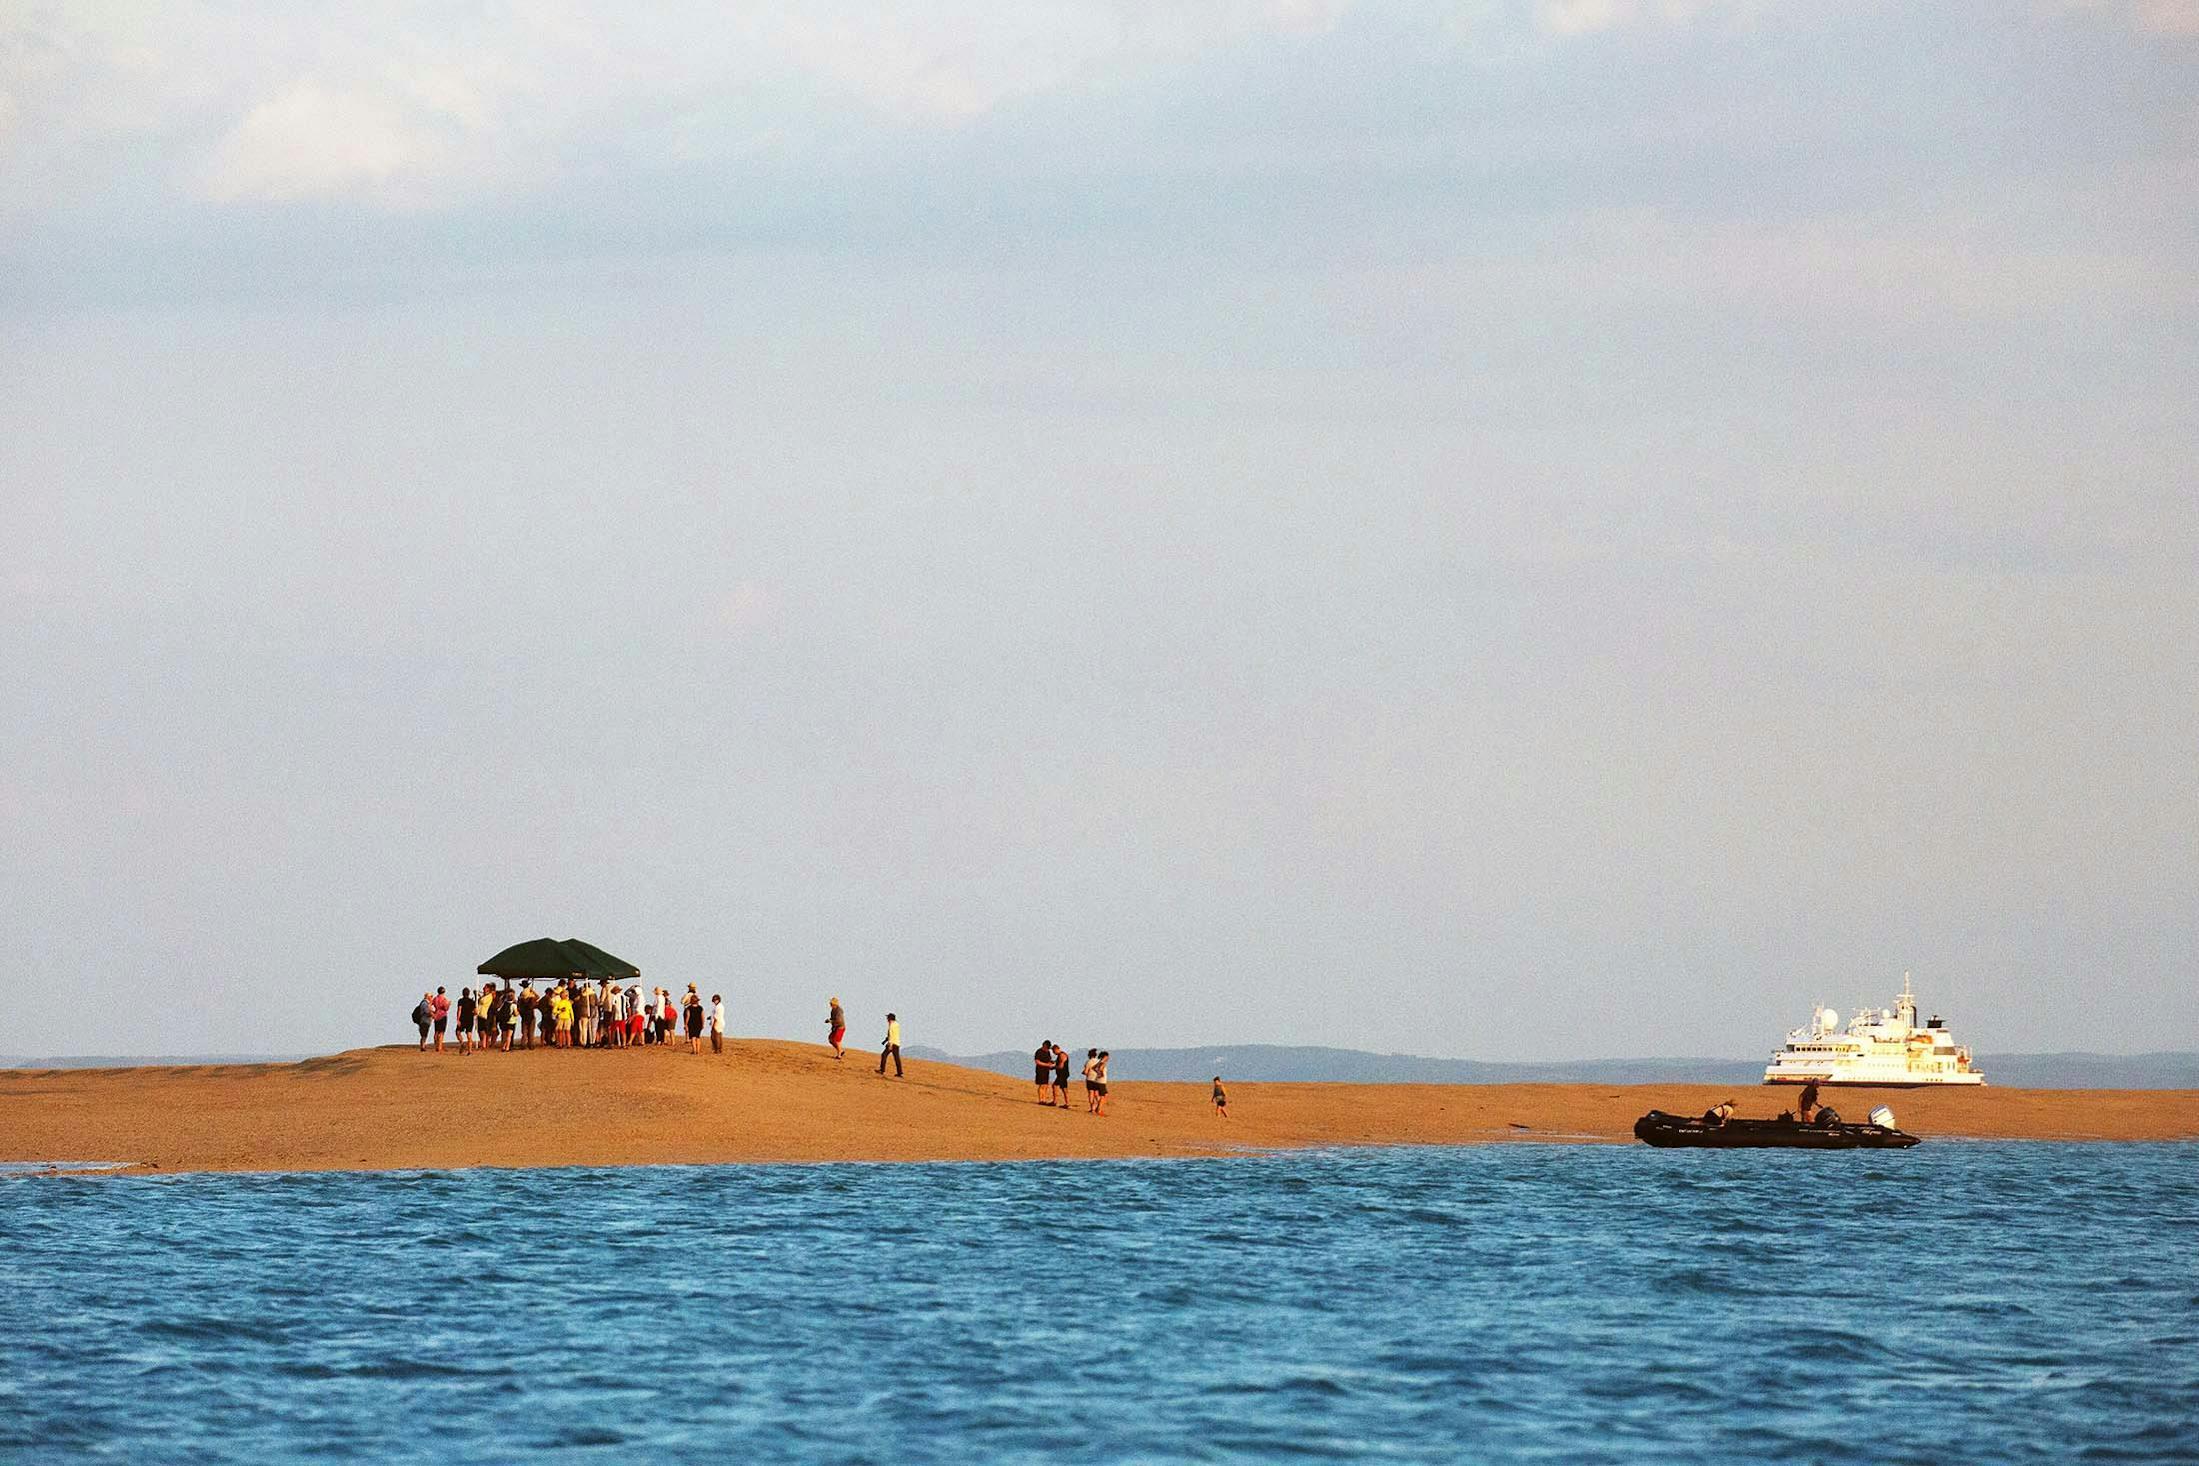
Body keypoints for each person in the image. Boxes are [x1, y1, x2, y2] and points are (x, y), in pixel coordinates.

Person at [878, 1013, 902, 1078]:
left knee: (884, 1055)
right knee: (897, 1058)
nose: (887, 1019)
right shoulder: (897, 1024)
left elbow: (891, 1035)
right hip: (897, 1043)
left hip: (892, 1044)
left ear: (890, 1019)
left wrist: (890, 1045)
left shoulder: (891, 1025)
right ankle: (900, 1073)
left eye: (887, 1018)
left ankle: (882, 1070)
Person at [684, 988, 705, 1055]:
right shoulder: (700, 1008)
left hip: (691, 1024)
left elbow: (688, 1017)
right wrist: (703, 1024)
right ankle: (698, 1050)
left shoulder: (689, 1008)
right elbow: (702, 1016)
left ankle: (694, 1050)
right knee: (698, 1037)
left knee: (693, 1037)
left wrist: (685, 1024)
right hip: (699, 1024)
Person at [1050, 1044, 1072, 1108]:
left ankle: (1056, 1101)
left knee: (1057, 1086)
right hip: (1062, 1074)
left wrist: (1053, 1067)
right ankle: (1064, 1103)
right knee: (1062, 1088)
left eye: (1053, 1051)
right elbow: (1058, 1062)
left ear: (1056, 1049)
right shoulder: (1060, 1055)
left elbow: (1061, 1066)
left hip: (1063, 1074)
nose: (1053, 1053)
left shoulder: (1062, 1055)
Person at [430, 986, 450, 1053]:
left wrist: (432, 1013)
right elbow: (446, 1008)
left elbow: (429, 1006)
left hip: (436, 1015)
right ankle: (439, 1047)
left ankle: (436, 1046)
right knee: (441, 1032)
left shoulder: (435, 998)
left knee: (436, 1032)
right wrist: (449, 1004)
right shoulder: (444, 999)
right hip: (442, 1016)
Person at [1093, 1051, 1111, 1116]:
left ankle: (1098, 1108)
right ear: (1105, 1056)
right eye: (1108, 1056)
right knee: (1103, 1096)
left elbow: (1094, 1068)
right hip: (1101, 1081)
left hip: (1097, 1080)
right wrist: (1101, 1074)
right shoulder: (1103, 1063)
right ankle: (1099, 1110)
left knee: (1104, 1095)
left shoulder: (1099, 1062)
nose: (1108, 1058)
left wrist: (1098, 1073)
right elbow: (1100, 1069)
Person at [1082, 1048, 1100, 1113]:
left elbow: (1086, 1072)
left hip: (1090, 1079)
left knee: (1091, 1094)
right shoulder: (1099, 1061)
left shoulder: (1088, 1062)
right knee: (1097, 1094)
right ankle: (1099, 1106)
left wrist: (1084, 1072)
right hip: (1097, 1079)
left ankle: (1092, 1108)